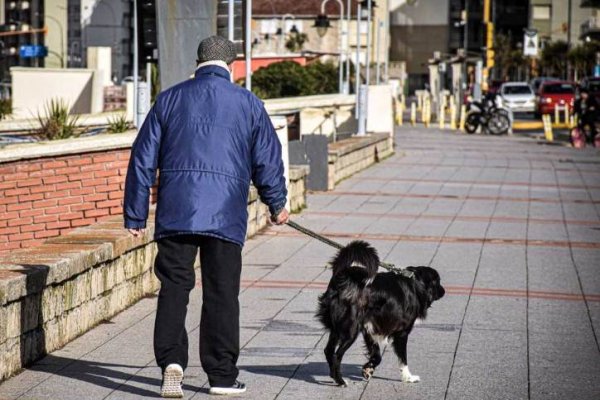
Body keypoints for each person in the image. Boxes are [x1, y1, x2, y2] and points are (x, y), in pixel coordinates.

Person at [123, 35, 289, 398]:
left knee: (175, 288)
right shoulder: (248, 103)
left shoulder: (168, 99)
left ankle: (171, 363)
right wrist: (277, 204)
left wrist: (135, 215)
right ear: (231, 66)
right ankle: (222, 377)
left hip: (177, 213)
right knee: (222, 293)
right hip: (225, 215)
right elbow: (268, 159)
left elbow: (142, 159)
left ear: (197, 63)